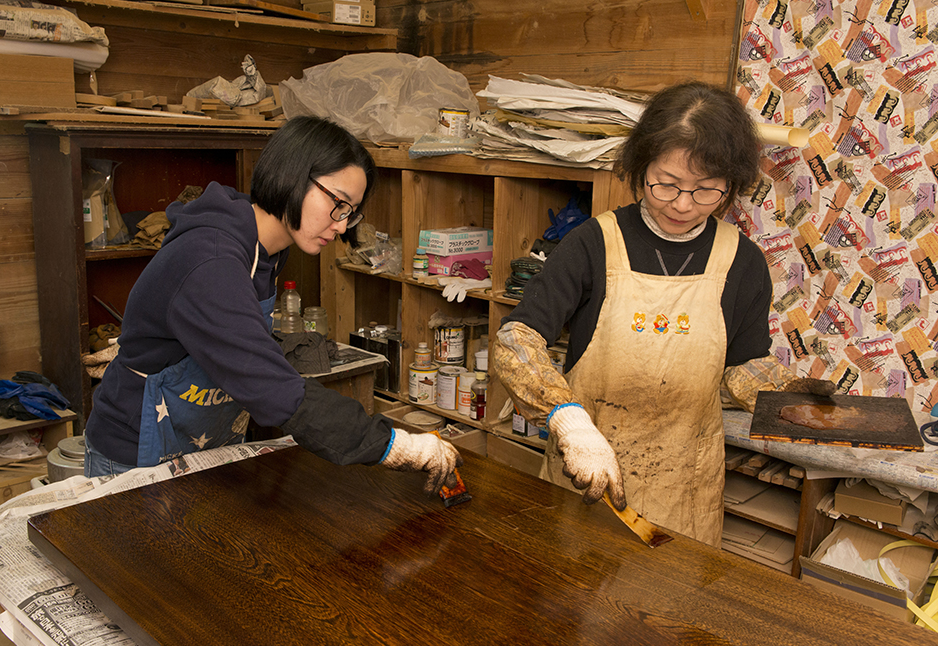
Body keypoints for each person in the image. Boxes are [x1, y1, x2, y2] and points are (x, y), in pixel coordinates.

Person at [494, 81, 833, 546]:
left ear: (730, 184)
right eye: (666, 184)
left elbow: (741, 364)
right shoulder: (593, 243)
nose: (682, 204)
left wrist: (784, 391)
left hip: (685, 491)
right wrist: (570, 425)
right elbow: (517, 338)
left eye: (706, 190)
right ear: (641, 167)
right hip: (587, 476)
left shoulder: (742, 261)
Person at [84, 116, 461, 496]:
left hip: (203, 444)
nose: (342, 225)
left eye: (350, 212)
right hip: (136, 454)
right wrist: (395, 445)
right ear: (293, 176)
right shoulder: (212, 259)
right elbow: (273, 391)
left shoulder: (266, 250)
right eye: (338, 204)